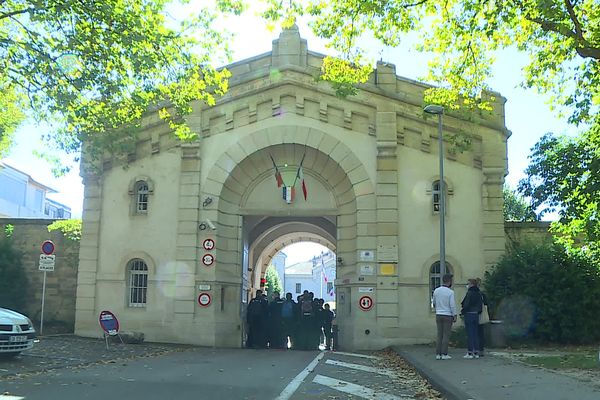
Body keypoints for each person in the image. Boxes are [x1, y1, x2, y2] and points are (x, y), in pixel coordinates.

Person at [432, 273, 457, 360]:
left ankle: (438, 354)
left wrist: (437, 309)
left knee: (439, 334)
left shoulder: (436, 290)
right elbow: (452, 305)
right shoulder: (450, 292)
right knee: (446, 335)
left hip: (438, 314)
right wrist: (454, 314)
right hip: (448, 315)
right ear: (449, 281)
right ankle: (444, 353)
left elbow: (434, 303)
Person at [461, 278, 483, 359]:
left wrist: (463, 311)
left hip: (469, 314)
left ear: (471, 284)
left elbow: (466, 304)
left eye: (468, 283)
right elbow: (480, 304)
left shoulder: (469, 293)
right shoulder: (479, 293)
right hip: (476, 314)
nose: (467, 285)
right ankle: (476, 352)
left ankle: (470, 352)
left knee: (470, 334)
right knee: (475, 333)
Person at [476, 278, 489, 356]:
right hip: (482, 315)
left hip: (475, 314)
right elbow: (486, 304)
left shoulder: (474, 293)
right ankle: (481, 349)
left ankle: (476, 349)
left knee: (475, 333)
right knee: (481, 333)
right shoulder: (482, 294)